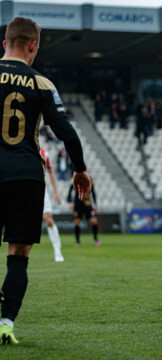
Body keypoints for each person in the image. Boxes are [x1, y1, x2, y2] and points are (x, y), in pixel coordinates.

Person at [0, 17, 91, 345]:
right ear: (33, 45)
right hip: (26, 174)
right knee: (18, 254)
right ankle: (6, 323)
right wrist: (80, 169)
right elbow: (66, 132)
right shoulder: (42, 84)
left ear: (4, 42)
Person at [40, 148, 64, 262]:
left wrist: (56, 192)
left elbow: (50, 172)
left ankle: (57, 251)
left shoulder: (44, 154)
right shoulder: (21, 150)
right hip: (25, 190)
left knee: (49, 220)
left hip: (42, 191)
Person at [68, 179, 100, 246]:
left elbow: (93, 192)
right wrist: (70, 202)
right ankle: (77, 241)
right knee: (77, 223)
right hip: (78, 204)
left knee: (94, 221)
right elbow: (70, 191)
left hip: (87, 203)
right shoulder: (75, 177)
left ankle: (96, 239)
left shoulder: (90, 179)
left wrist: (95, 204)